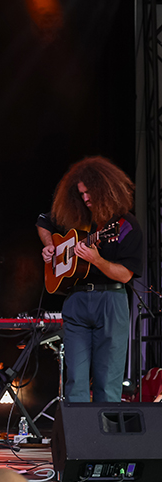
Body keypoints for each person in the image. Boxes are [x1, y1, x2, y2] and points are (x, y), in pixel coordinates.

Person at [37, 156, 142, 402]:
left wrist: (97, 260)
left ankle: (106, 427)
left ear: (105, 189)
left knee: (108, 383)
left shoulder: (126, 225)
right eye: (81, 193)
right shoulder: (75, 216)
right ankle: (78, 427)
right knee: (75, 381)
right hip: (76, 299)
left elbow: (126, 274)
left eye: (89, 192)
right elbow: (43, 221)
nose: (85, 198)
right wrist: (50, 246)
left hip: (111, 299)